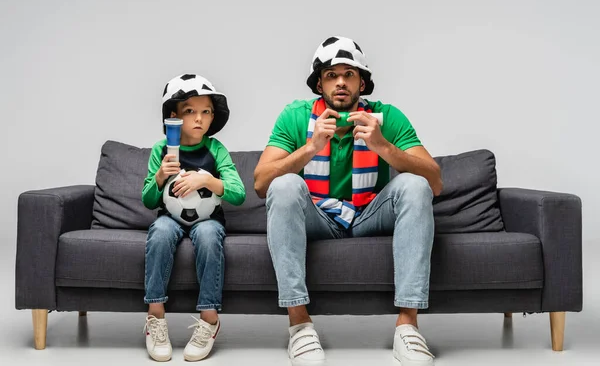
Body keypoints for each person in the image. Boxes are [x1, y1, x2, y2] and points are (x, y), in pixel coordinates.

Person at [253, 36, 442, 366]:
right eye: (331, 75)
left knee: (414, 185)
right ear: (319, 85)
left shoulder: (385, 117)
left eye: (349, 74)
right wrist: (310, 147)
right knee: (283, 187)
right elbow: (260, 183)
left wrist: (383, 146)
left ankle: (408, 325)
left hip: (370, 213)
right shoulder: (296, 117)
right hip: (318, 215)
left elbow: (435, 181)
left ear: (362, 82)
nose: (340, 82)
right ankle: (299, 325)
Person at [141, 74, 245, 362]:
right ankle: (155, 317)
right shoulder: (161, 150)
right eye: (190, 111)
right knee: (160, 231)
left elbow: (238, 193)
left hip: (207, 219)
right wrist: (160, 176)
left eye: (206, 112)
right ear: (174, 116)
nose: (199, 119)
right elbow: (148, 200)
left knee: (210, 236)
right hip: (170, 217)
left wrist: (206, 180)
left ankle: (209, 319)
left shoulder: (215, 149)